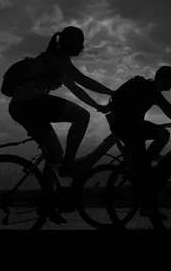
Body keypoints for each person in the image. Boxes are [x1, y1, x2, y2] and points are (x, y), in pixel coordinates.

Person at [8, 26, 114, 223]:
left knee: (54, 155)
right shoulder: (57, 58)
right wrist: (113, 93)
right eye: (79, 43)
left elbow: (77, 89)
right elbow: (83, 80)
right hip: (30, 103)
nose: (82, 47)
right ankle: (68, 165)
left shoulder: (56, 62)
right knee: (81, 117)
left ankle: (46, 205)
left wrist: (97, 106)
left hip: (22, 107)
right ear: (69, 42)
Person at [106, 66, 171, 218]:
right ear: (163, 78)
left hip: (127, 126)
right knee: (163, 134)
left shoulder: (150, 89)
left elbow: (169, 109)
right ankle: (147, 196)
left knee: (143, 166)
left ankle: (147, 203)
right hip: (128, 126)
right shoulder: (150, 90)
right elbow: (169, 110)